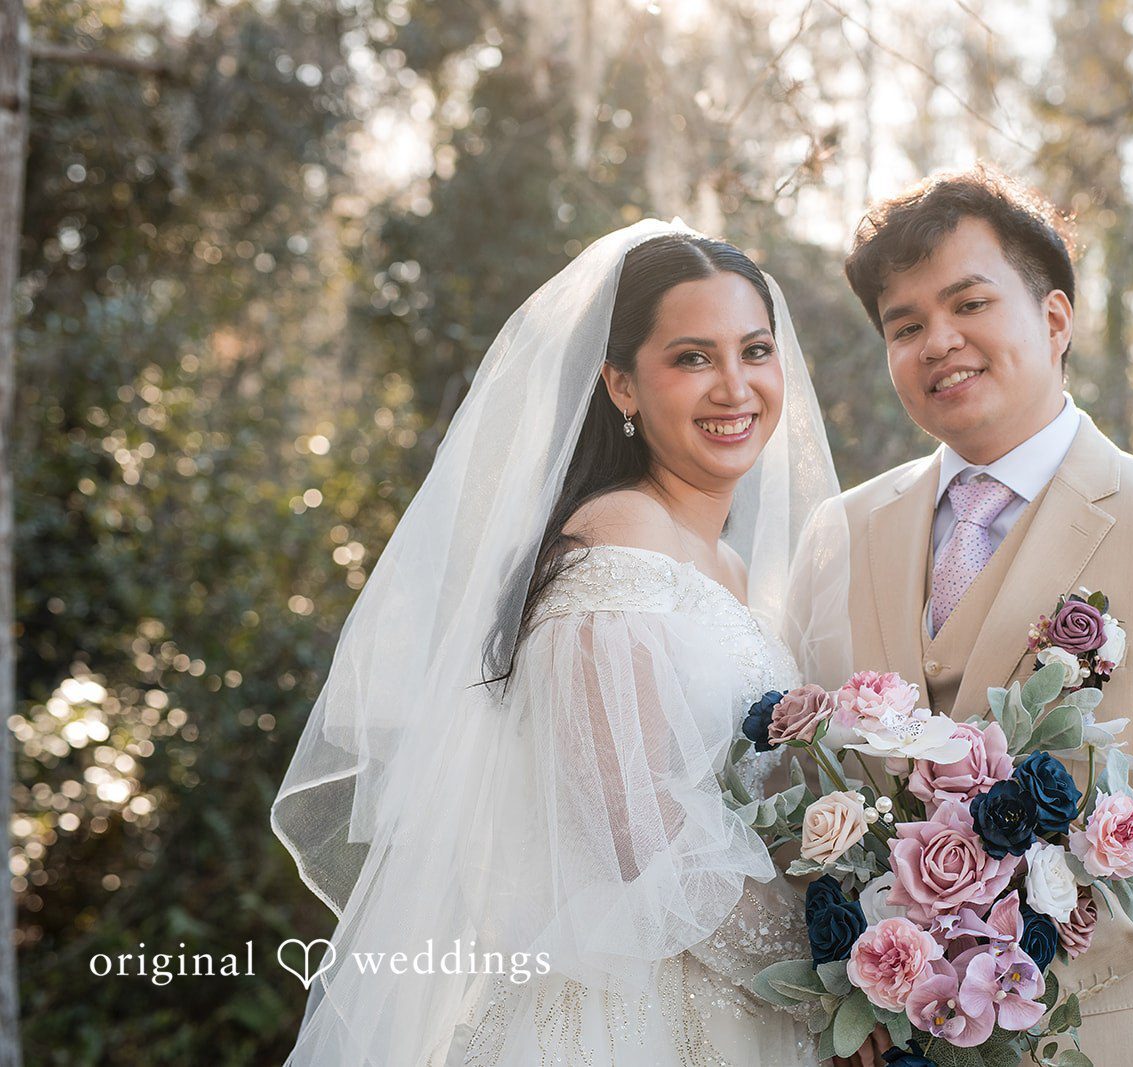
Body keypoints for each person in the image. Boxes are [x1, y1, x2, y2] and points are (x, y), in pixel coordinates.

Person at [271, 220, 839, 1066]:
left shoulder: (724, 563)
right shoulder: (613, 554)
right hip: (632, 1021)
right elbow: (649, 843)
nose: (734, 386)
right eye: (692, 358)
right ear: (621, 385)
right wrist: (838, 979)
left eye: (754, 351)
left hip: (749, 1005)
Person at [821, 164, 1133, 1066]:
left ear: (1053, 319)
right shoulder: (841, 530)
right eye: (906, 325)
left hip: (1084, 1036)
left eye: (969, 303)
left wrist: (1031, 941)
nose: (939, 341)